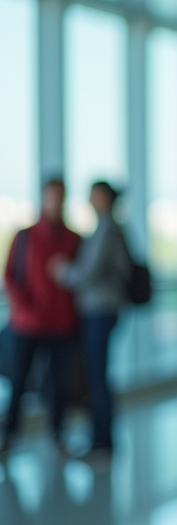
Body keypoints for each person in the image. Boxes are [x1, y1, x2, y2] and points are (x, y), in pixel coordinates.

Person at [1, 178, 81, 459]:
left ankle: (58, 437)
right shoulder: (24, 236)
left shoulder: (74, 239)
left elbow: (79, 281)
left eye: (60, 197)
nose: (55, 202)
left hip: (61, 325)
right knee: (18, 383)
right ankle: (9, 436)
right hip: (26, 324)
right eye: (51, 196)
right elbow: (9, 277)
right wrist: (25, 305)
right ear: (43, 198)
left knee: (60, 386)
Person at [51, 181, 131, 459]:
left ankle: (102, 442)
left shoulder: (107, 229)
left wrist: (62, 272)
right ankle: (101, 439)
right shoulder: (106, 228)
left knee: (97, 377)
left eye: (94, 195)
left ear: (105, 198)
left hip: (101, 311)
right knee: (97, 375)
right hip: (100, 311)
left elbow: (90, 273)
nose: (89, 199)